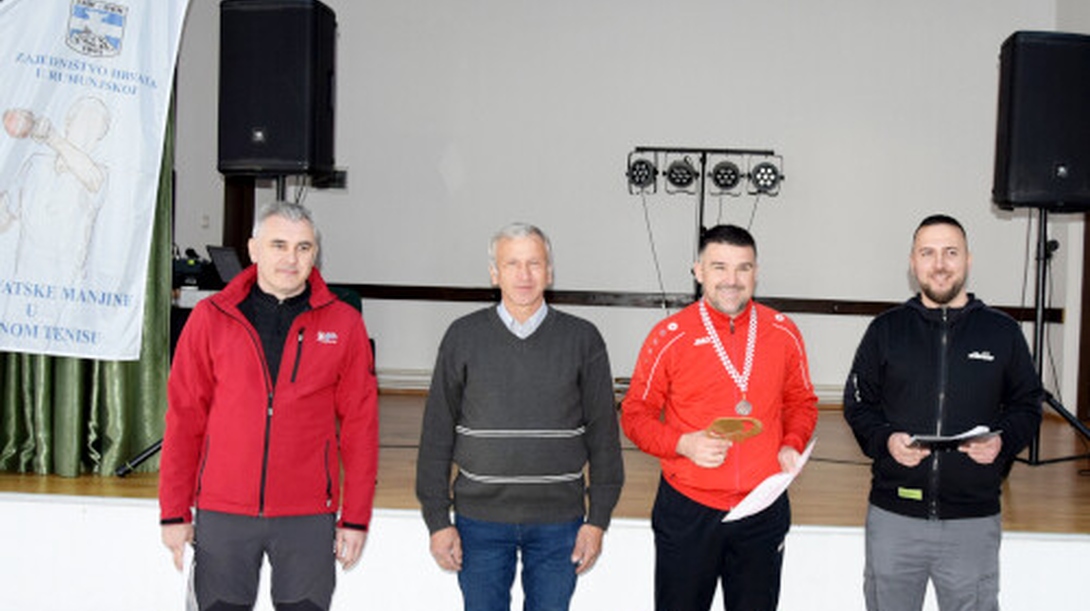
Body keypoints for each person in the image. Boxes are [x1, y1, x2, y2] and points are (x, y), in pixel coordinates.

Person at [158, 201, 379, 611]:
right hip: (223, 510)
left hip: (307, 515)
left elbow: (360, 427)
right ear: (253, 249)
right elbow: (184, 419)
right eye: (279, 245)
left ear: (315, 254)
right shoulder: (210, 317)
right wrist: (174, 511)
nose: (291, 259)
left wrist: (355, 517)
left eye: (303, 248)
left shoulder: (344, 324)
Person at [416, 222, 624, 611]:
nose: (524, 275)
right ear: (494, 274)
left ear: (550, 272)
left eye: (534, 263)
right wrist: (438, 520)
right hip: (479, 521)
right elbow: (436, 435)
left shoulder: (583, 339)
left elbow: (604, 439)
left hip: (559, 522)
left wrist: (597, 520)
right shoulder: (462, 336)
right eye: (512, 264)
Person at [843, 214, 1042, 611]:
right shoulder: (885, 330)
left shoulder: (1003, 332)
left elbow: (1027, 405)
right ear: (912, 262)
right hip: (894, 518)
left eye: (951, 252)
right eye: (927, 253)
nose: (939, 264)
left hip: (973, 521)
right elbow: (859, 404)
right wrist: (886, 441)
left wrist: (1002, 442)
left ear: (968, 259)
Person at [621, 224, 818, 611]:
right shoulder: (669, 336)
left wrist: (791, 444)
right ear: (698, 271)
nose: (732, 280)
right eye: (719, 267)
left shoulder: (783, 332)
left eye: (743, 268)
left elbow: (801, 402)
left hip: (762, 507)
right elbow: (634, 414)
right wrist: (682, 444)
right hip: (688, 509)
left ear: (756, 272)